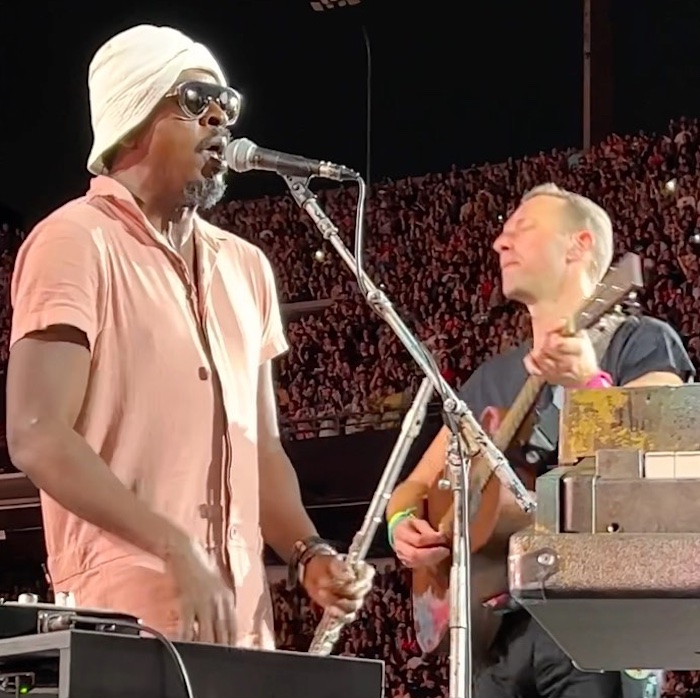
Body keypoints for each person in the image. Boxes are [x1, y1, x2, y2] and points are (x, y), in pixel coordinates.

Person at [6, 24, 373, 648]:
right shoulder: (74, 241)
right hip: (121, 625)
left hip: (241, 622)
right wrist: (172, 545)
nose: (220, 120)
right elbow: (37, 434)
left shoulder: (247, 267)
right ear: (132, 117)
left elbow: (261, 450)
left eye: (228, 104)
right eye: (196, 100)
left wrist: (307, 551)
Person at [386, 183, 695, 698]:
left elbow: (660, 462)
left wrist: (588, 385)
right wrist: (402, 525)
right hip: (496, 638)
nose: (499, 242)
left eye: (522, 228)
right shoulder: (488, 379)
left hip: (599, 621)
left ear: (579, 245)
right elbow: (413, 486)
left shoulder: (641, 342)